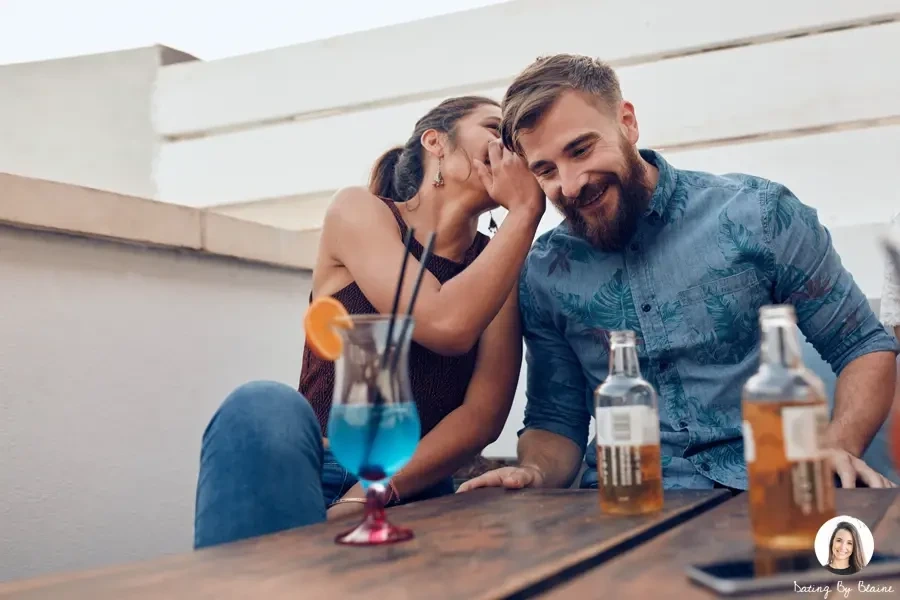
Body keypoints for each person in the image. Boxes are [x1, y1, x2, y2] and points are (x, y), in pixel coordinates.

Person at [459, 54, 899, 496]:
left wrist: (837, 446)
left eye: (581, 149)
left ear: (627, 122)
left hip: (774, 491)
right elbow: (556, 419)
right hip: (622, 508)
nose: (570, 185)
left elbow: (862, 345)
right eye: (546, 170)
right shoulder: (543, 272)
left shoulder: (760, 215)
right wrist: (533, 471)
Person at [193, 96, 545, 548]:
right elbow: (444, 322)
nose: (507, 148)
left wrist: (370, 494)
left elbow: (481, 416)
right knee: (261, 404)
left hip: (414, 487)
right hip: (313, 471)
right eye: (495, 129)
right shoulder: (360, 211)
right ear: (435, 143)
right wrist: (524, 213)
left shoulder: (499, 262)